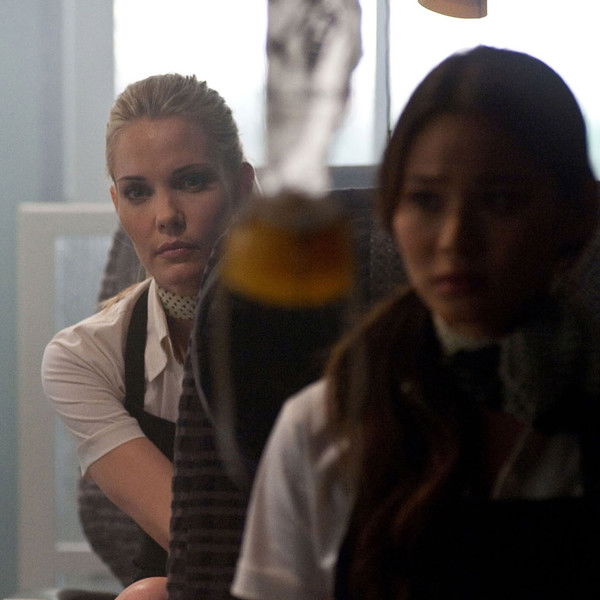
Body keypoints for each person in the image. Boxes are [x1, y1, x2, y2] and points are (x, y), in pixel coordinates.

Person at [231, 45, 600, 600]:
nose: (455, 239)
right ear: (390, 212)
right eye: (426, 201)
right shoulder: (325, 426)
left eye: (500, 202)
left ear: (577, 213)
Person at [42, 73, 254, 582]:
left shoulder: (324, 327)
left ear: (243, 188)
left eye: (192, 182)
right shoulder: (84, 357)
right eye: (138, 192)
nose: (166, 216)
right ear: (118, 205)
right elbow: (194, 542)